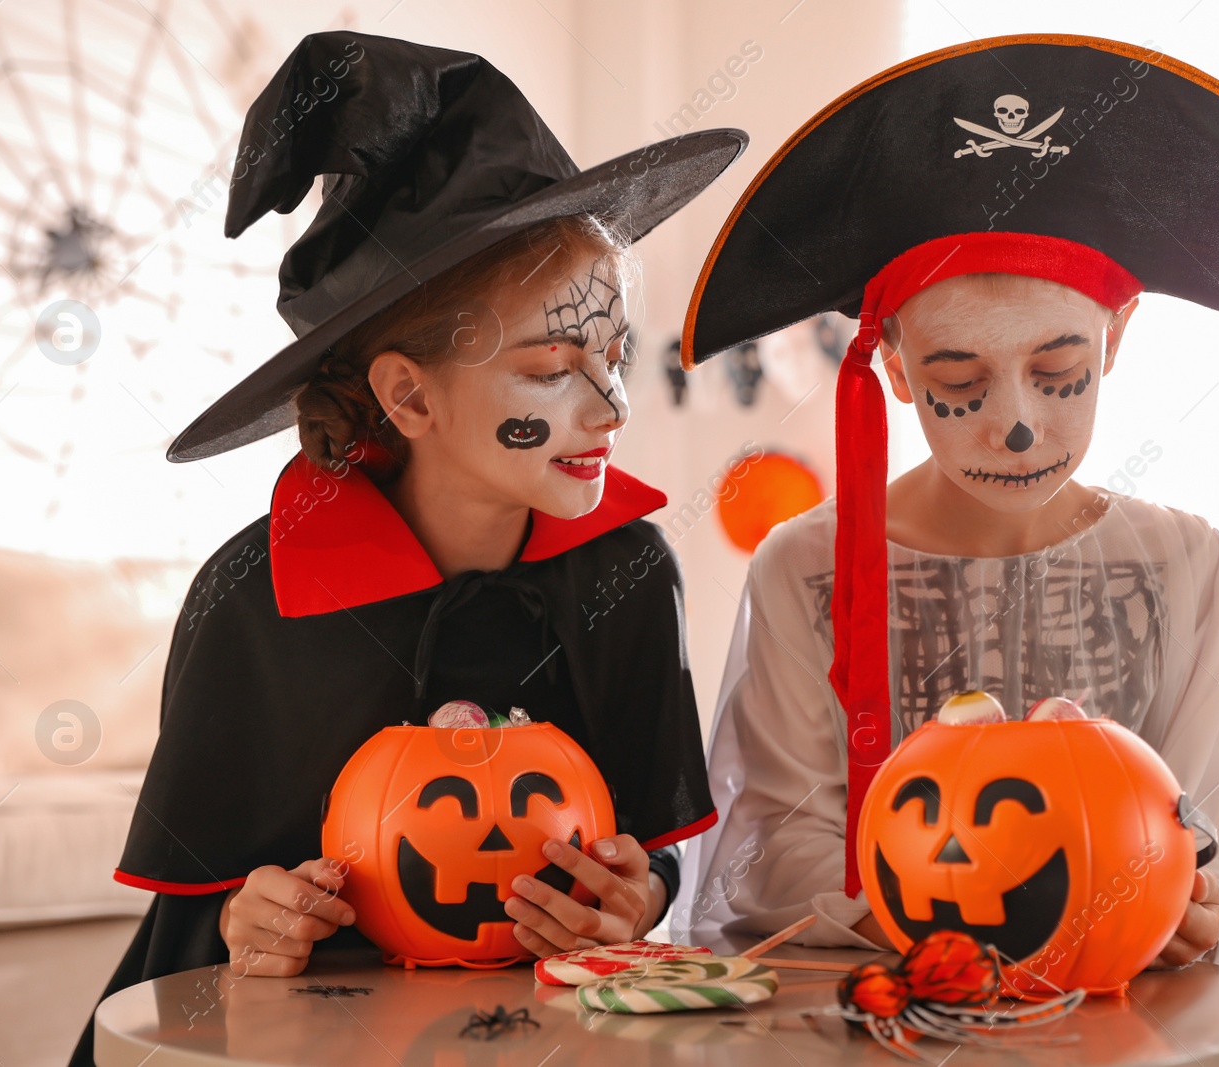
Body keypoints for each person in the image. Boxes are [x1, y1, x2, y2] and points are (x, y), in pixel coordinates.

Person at [68, 30, 744, 1066]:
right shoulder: (253, 595)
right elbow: (198, 923)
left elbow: (653, 863)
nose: (608, 407)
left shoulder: (627, 571)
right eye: (549, 369)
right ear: (409, 394)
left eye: (610, 355)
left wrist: (631, 896)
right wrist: (252, 919)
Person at [674, 34, 1219, 974]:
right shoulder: (806, 564)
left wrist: (1199, 904)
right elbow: (769, 851)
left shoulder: (1183, 562)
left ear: (1115, 342)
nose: (1018, 426)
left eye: (1059, 372)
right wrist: (956, 917)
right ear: (898, 371)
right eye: (959, 377)